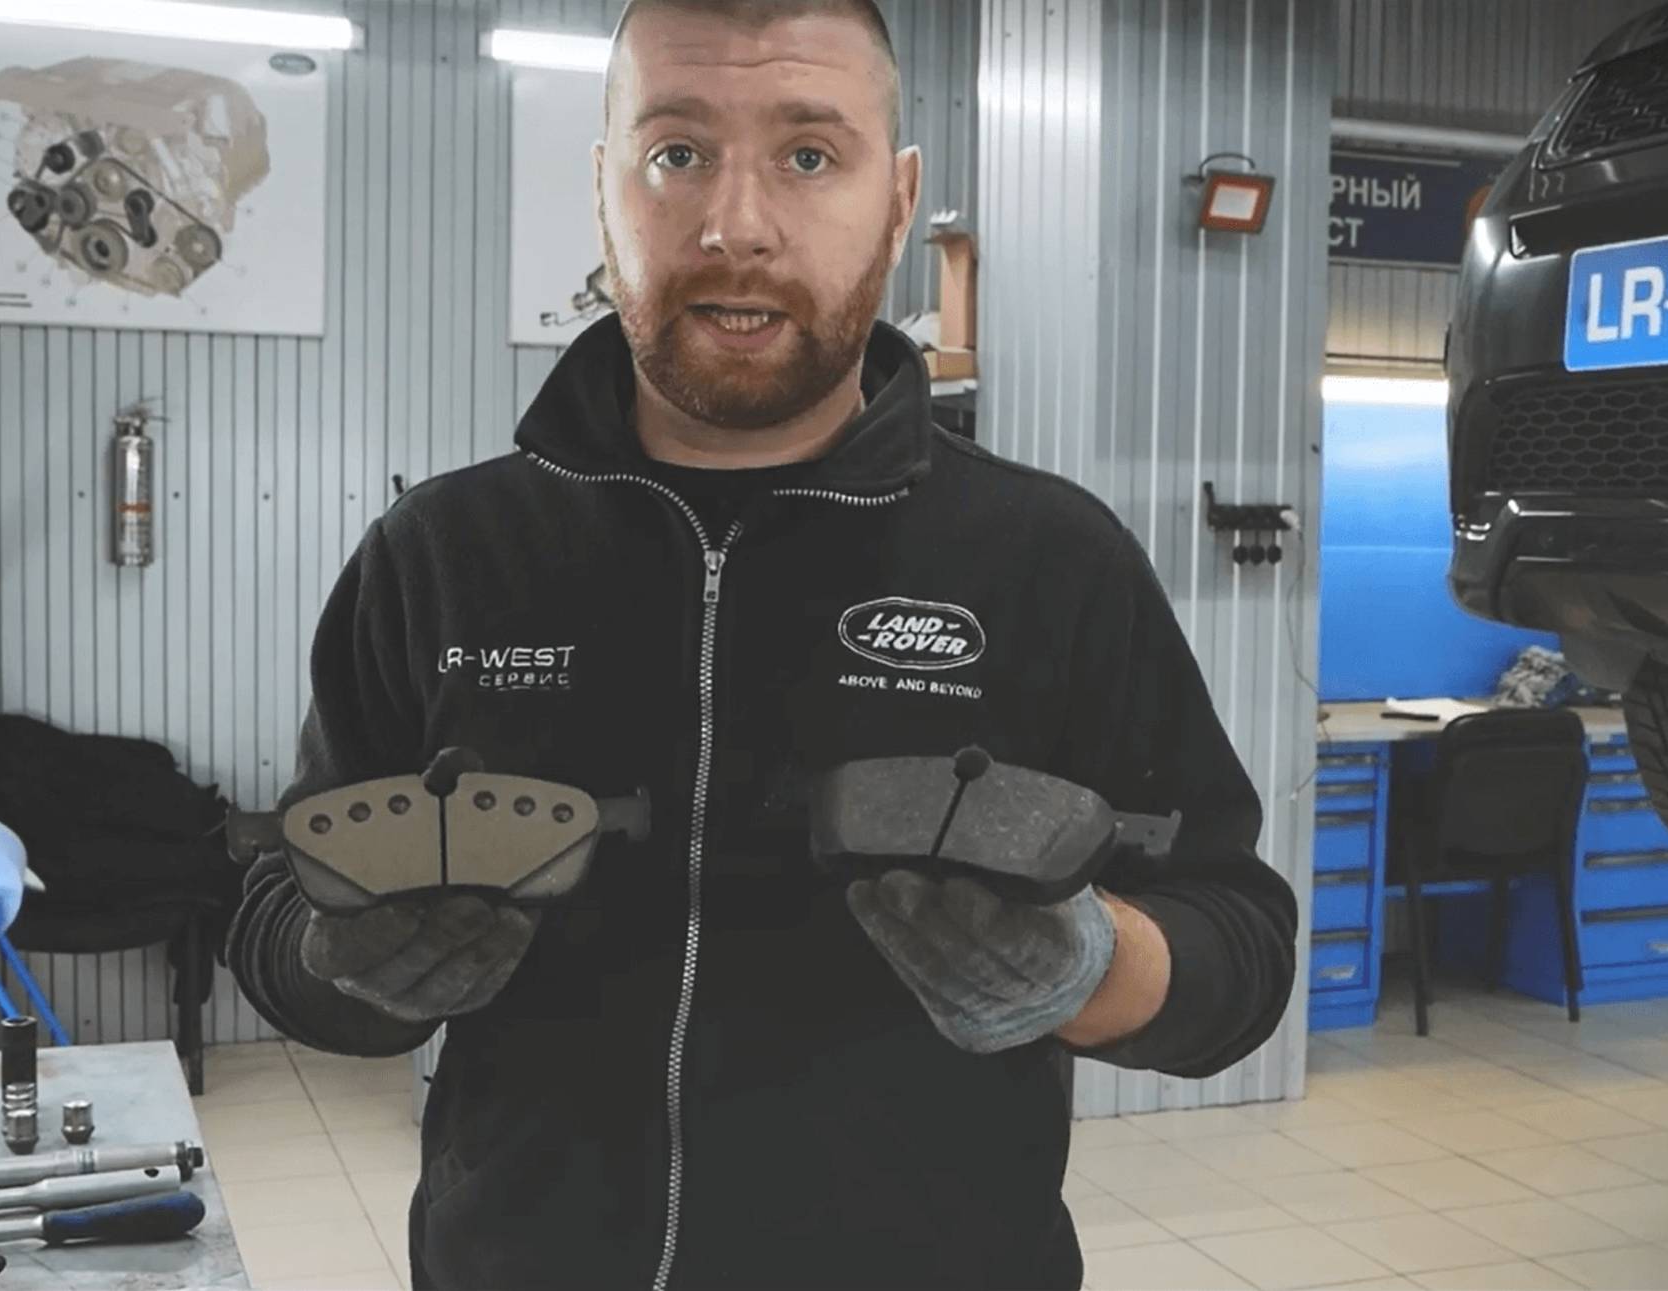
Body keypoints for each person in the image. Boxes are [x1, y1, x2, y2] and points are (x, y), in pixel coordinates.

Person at [224, 1, 1298, 1287]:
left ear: (896, 203)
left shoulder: (1049, 559)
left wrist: (1089, 962)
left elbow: (1237, 940)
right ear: (604, 190)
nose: (736, 224)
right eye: (676, 153)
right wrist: (346, 958)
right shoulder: (444, 553)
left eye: (807, 155)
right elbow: (277, 902)